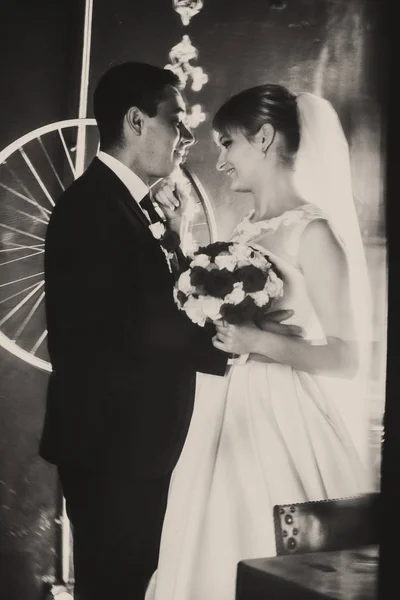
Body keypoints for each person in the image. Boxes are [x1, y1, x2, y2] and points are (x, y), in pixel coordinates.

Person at [146, 84, 372, 600]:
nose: (221, 161)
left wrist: (258, 340)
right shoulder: (244, 230)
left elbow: (346, 357)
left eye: (228, 143)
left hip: (279, 418)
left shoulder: (312, 232)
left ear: (265, 138)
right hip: (221, 413)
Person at [38, 62, 234, 600]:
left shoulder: (124, 204)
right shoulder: (93, 208)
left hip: (131, 444)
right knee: (114, 586)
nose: (187, 137)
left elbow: (144, 304)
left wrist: (178, 240)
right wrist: (236, 347)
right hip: (114, 448)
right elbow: (135, 329)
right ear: (135, 121)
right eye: (177, 120)